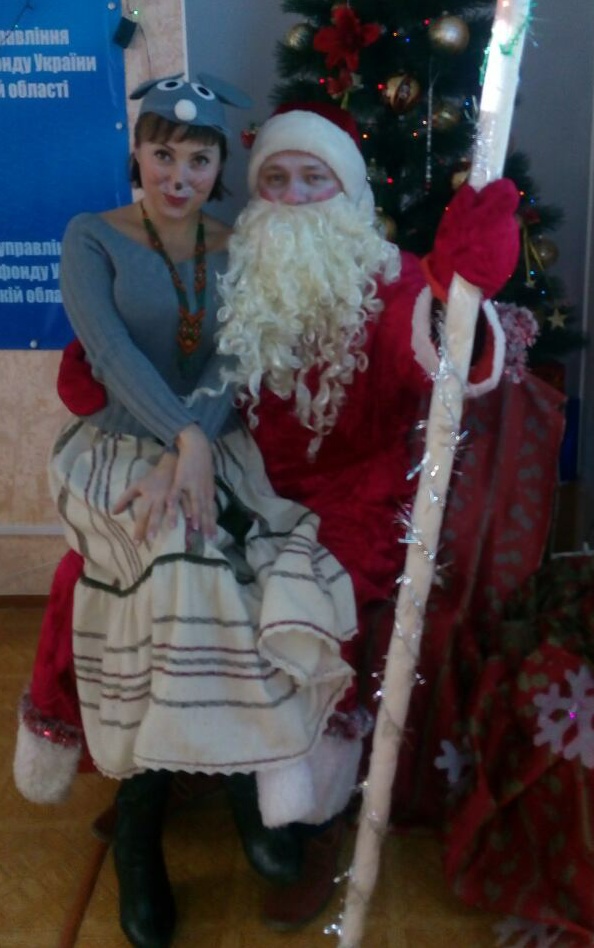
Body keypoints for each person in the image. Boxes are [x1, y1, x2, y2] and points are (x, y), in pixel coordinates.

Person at [15, 98, 520, 936]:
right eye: (275, 179)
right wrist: (164, 435)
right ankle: (148, 814)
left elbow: (441, 357)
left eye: (311, 177)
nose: (290, 196)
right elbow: (188, 367)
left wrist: (458, 294)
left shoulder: (387, 278)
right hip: (238, 476)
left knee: (246, 580)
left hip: (342, 497)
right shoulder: (238, 264)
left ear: (346, 189)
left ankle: (259, 786)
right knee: (152, 565)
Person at [14, 79, 362, 948]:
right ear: (138, 153)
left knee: (212, 545)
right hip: (112, 449)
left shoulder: (238, 243)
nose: (179, 175)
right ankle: (147, 830)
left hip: (212, 445)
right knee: (176, 547)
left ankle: (219, 784)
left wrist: (195, 446)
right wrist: (182, 440)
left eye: (199, 160)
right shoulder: (90, 236)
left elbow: (236, 353)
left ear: (217, 167)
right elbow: (110, 353)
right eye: (163, 154)